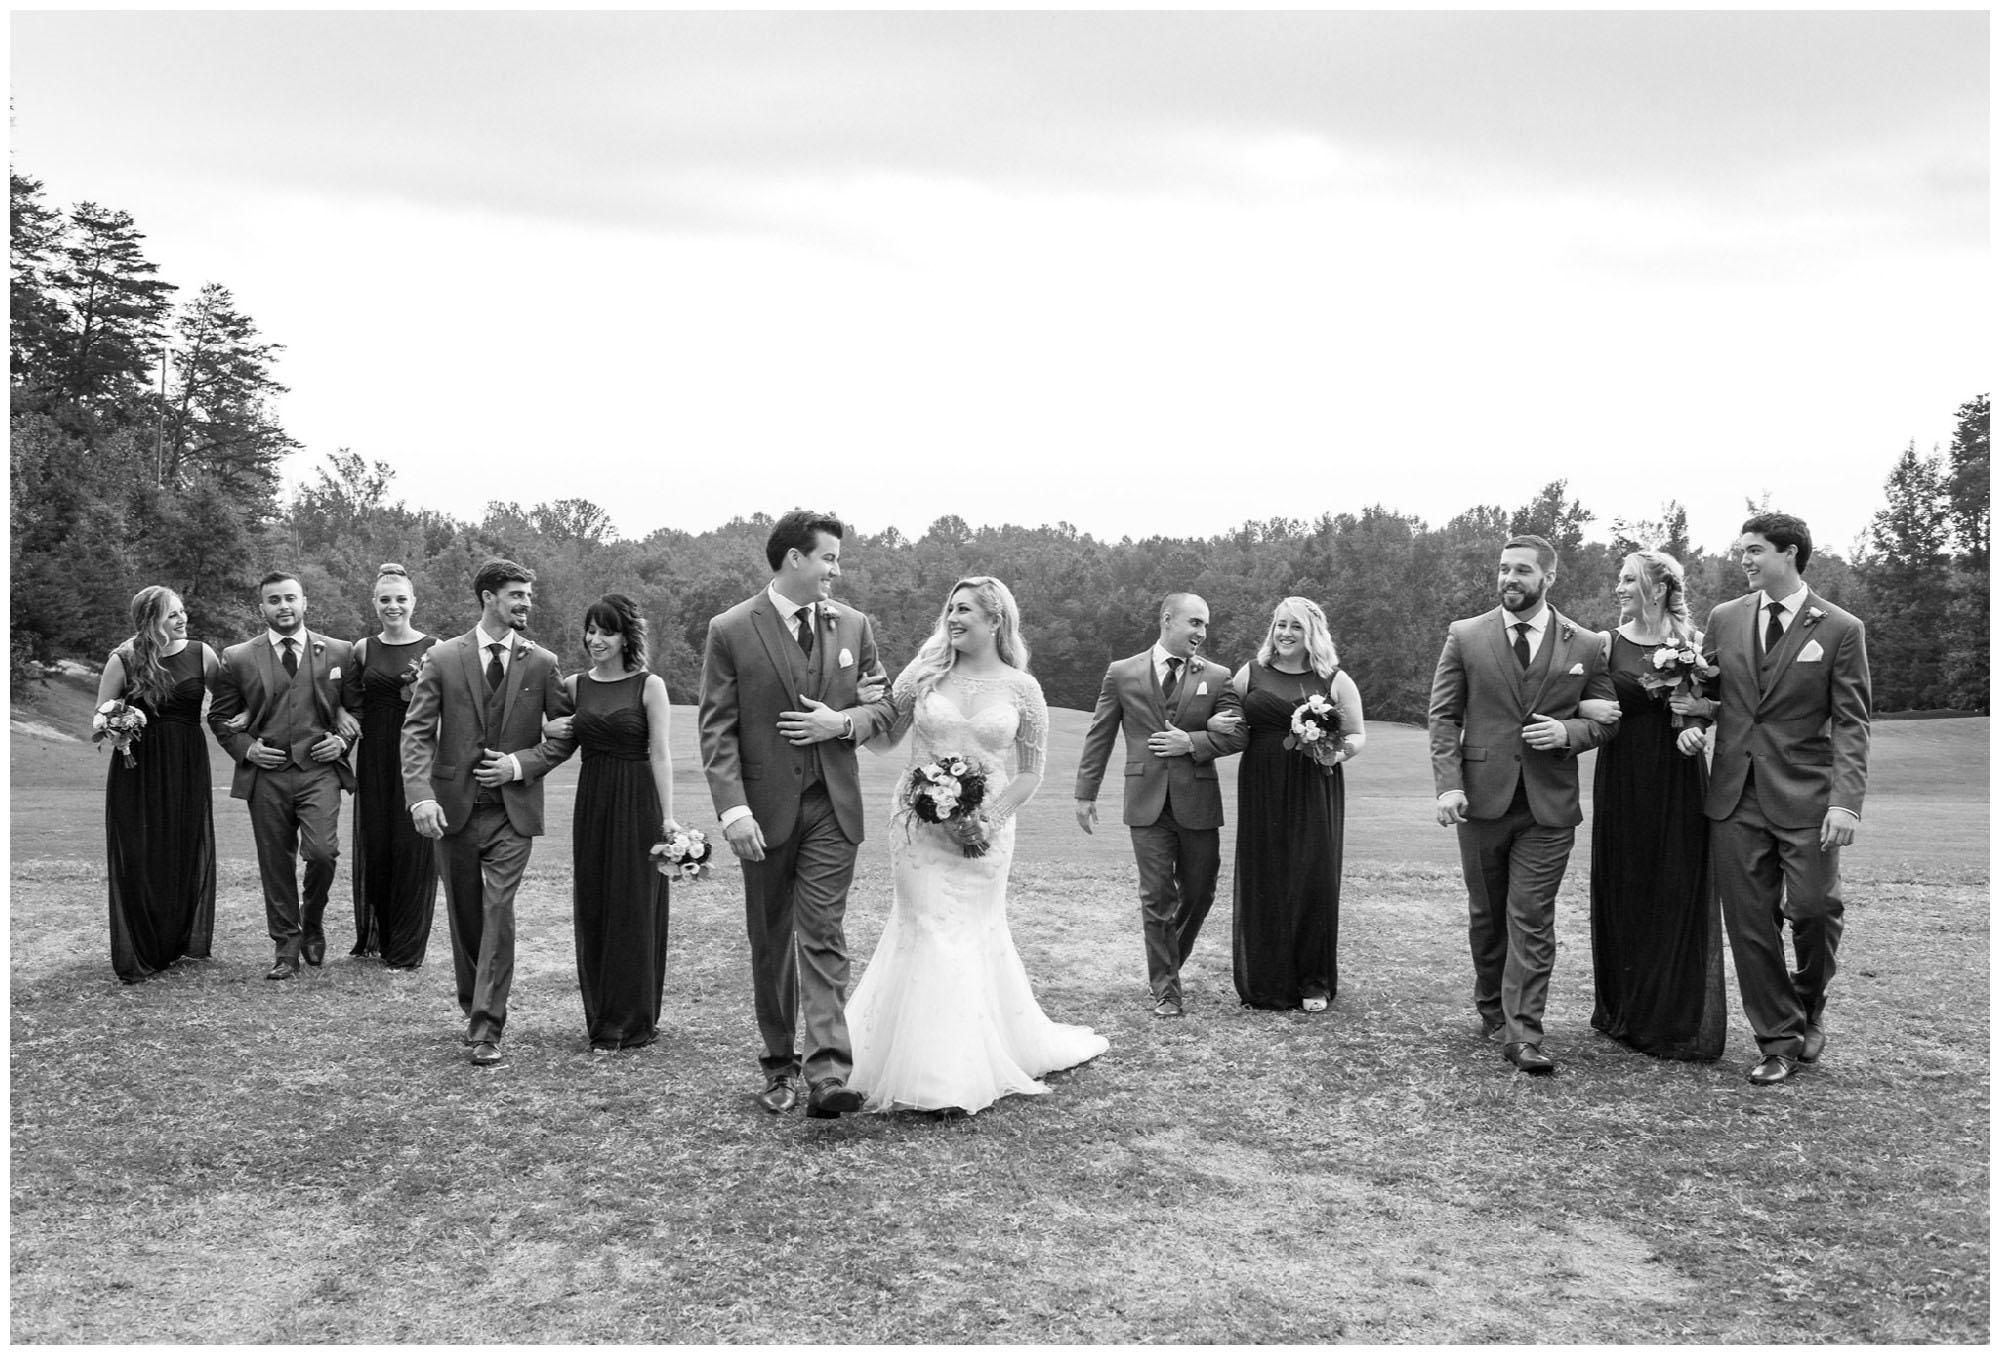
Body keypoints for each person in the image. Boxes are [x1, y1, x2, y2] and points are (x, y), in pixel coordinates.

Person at [848, 577, 1107, 1115]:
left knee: (969, 932)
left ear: (996, 620)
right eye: (950, 608)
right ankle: (921, 1069)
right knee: (925, 927)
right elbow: (881, 743)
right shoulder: (921, 675)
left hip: (986, 835)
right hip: (917, 828)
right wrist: (864, 703)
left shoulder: (1022, 689)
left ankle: (953, 1071)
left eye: (965, 609)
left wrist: (989, 818)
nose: (953, 617)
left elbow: (1030, 774)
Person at [697, 510, 897, 1119]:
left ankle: (828, 1075)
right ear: (794, 559)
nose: (837, 569)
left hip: (833, 808)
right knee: (771, 939)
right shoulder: (731, 628)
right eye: (830, 557)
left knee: (823, 933)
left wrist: (843, 723)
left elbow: (884, 707)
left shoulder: (854, 624)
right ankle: (777, 1065)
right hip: (763, 810)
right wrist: (732, 810)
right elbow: (717, 729)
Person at [1676, 512, 1870, 1086]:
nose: (1744, 561)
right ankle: (1778, 1041)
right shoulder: (1724, 618)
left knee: (1814, 909)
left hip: (1808, 797)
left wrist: (1846, 801)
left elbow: (1852, 724)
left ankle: (1809, 1005)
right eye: (1741, 552)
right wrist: (1689, 726)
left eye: (1754, 551)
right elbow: (1704, 693)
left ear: (1789, 554)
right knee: (1750, 924)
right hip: (1734, 796)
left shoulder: (1840, 628)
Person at [1428, 535, 1616, 1074]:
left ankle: (1523, 1033)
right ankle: (1493, 1007)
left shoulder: (1584, 643)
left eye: (1522, 571)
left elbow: (1607, 720)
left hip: (1548, 807)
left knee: (1530, 917)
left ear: (1548, 578)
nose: (1509, 579)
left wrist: (1568, 732)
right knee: (1488, 916)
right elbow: (1444, 717)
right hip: (1481, 800)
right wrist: (1449, 784)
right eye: (1504, 569)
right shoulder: (1465, 636)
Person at [400, 558, 577, 1066]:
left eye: (527, 595)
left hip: (511, 814)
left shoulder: (542, 662)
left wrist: (521, 765)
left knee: (498, 910)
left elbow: (565, 736)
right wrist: (420, 795)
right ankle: (474, 1005)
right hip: (451, 810)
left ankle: (486, 1026)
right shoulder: (442, 657)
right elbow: (415, 733)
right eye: (516, 594)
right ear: (488, 597)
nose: (526, 603)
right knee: (466, 916)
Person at [1578, 551, 1725, 1061]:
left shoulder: (1695, 644)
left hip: (1677, 778)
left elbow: (1723, 704)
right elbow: (1570, 693)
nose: (1618, 587)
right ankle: (1622, 1008)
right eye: (1618, 579)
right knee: (1626, 881)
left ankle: (1673, 1015)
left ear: (1658, 588)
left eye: (1628, 579)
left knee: (1675, 883)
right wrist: (1582, 706)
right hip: (1621, 778)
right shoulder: (1604, 643)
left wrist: (1699, 724)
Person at [1074, 593, 1249, 1018]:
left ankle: (1169, 961)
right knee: (1156, 896)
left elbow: (1239, 735)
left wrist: (1193, 740)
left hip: (1199, 801)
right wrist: (1085, 792)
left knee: (1200, 891)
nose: (1202, 633)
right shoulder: (1122, 673)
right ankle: (1166, 989)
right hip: (1146, 802)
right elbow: (1100, 734)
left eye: (1205, 625)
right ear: (1168, 620)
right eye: (1195, 623)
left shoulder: (1218, 675)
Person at [1214, 597, 1366, 1012]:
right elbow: (1224, 713)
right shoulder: (1252, 672)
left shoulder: (1335, 680)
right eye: (1280, 625)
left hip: (1314, 784)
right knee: (1265, 872)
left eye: (1295, 627)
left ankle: (1313, 981)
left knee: (1312, 875)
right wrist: (1212, 724)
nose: (1285, 633)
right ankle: (1266, 981)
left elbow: (1356, 734)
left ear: (1311, 633)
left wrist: (1338, 753)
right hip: (1261, 783)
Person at [209, 571, 361, 980]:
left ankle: (312, 921)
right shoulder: (238, 656)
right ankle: (286, 946)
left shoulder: (340, 652)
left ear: (305, 602)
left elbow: (357, 710)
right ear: (262, 607)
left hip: (319, 770)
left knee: (323, 853)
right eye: (274, 600)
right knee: (275, 861)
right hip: (268, 774)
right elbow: (220, 716)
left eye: (290, 598)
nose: (283, 606)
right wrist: (246, 749)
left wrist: (342, 744)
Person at [555, 594, 680, 1053]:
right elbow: (536, 725)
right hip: (592, 802)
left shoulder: (650, 686)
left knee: (634, 905)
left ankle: (635, 1018)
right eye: (591, 630)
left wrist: (667, 818)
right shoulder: (572, 686)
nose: (595, 640)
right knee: (595, 903)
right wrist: (548, 729)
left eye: (605, 631)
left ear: (627, 636)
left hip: (638, 803)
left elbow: (661, 754)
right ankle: (602, 1017)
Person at [98, 585, 219, 982]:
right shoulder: (124, 659)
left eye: (183, 611)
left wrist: (241, 722)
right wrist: (117, 728)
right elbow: (98, 718)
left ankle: (175, 938)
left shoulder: (202, 654)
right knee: (141, 850)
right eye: (172, 614)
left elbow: (230, 702)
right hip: (139, 768)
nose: (183, 619)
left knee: (182, 845)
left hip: (187, 762)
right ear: (151, 621)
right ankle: (144, 943)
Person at [342, 563, 439, 969]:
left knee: (412, 845)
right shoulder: (362, 649)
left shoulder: (436, 648)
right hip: (375, 756)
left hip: (416, 753)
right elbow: (347, 701)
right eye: (385, 600)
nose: (393, 606)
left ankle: (408, 944)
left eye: (400, 599)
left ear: (413, 602)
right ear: (374, 603)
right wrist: (339, 718)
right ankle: (380, 936)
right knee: (378, 842)